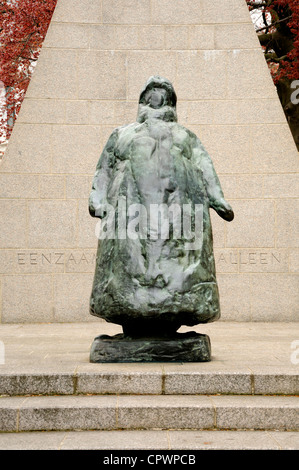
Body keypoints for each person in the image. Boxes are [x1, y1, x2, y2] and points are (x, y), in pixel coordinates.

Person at [89, 76, 234, 338]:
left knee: (176, 264)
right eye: (152, 92)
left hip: (178, 209)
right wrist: (97, 199)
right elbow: (105, 167)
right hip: (130, 207)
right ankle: (130, 313)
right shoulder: (123, 134)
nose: (157, 97)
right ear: (144, 99)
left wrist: (217, 197)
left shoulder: (185, 136)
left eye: (162, 93)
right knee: (130, 260)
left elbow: (204, 165)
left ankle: (173, 315)